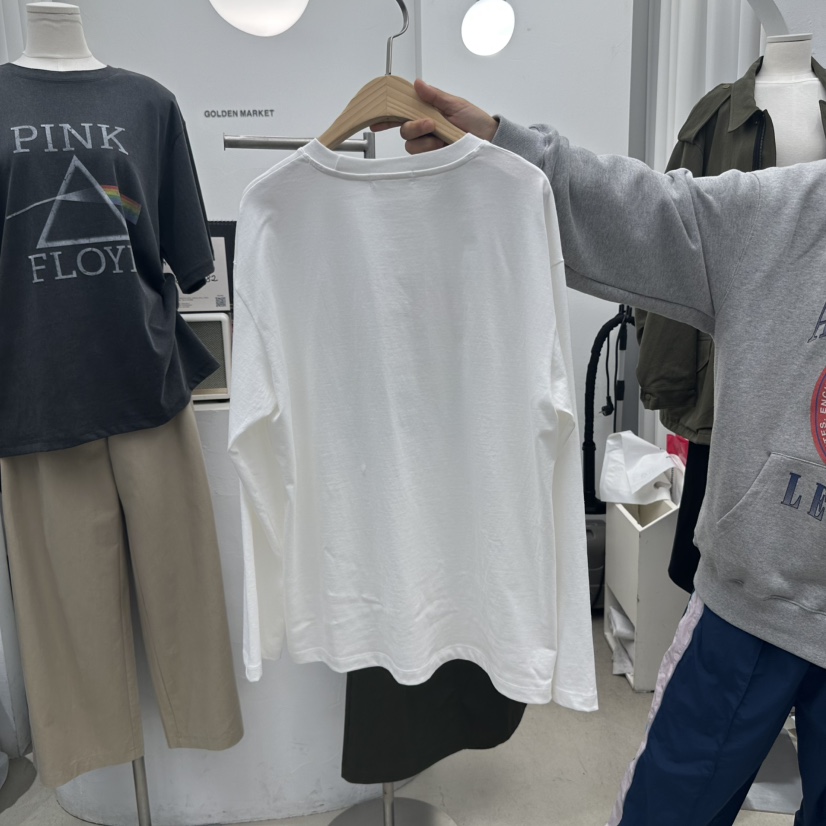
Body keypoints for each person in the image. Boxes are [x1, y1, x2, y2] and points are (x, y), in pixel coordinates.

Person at [373, 81, 826, 826]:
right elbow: (653, 211)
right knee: (667, 808)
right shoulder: (789, 212)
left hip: (757, 588)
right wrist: (506, 152)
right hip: (756, 600)